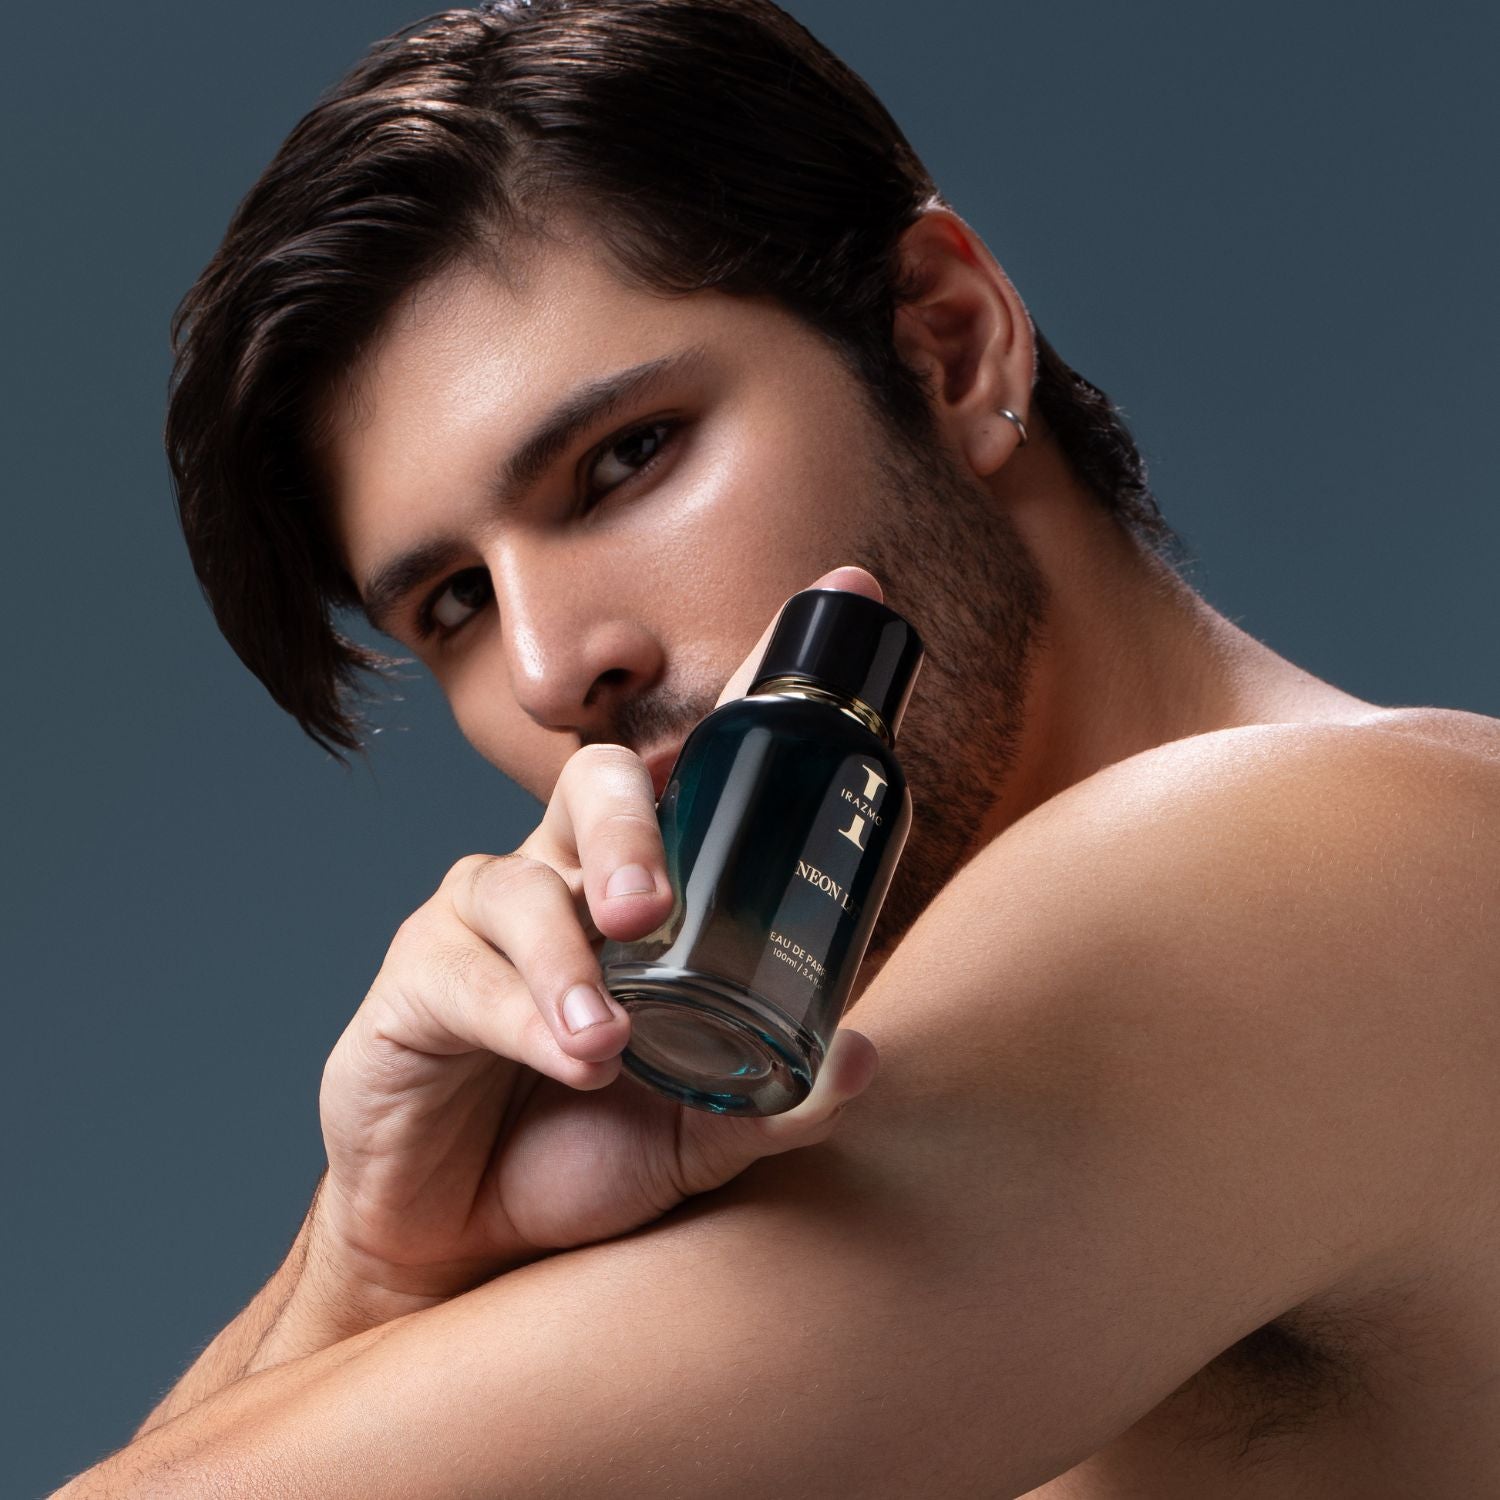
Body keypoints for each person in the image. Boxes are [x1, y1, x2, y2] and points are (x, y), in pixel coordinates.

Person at [55, 1, 1500, 1495]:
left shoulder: (1315, 869)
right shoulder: (843, 1132)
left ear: (950, 345)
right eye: (458, 602)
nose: (557, 669)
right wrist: (372, 1255)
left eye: (625, 459)